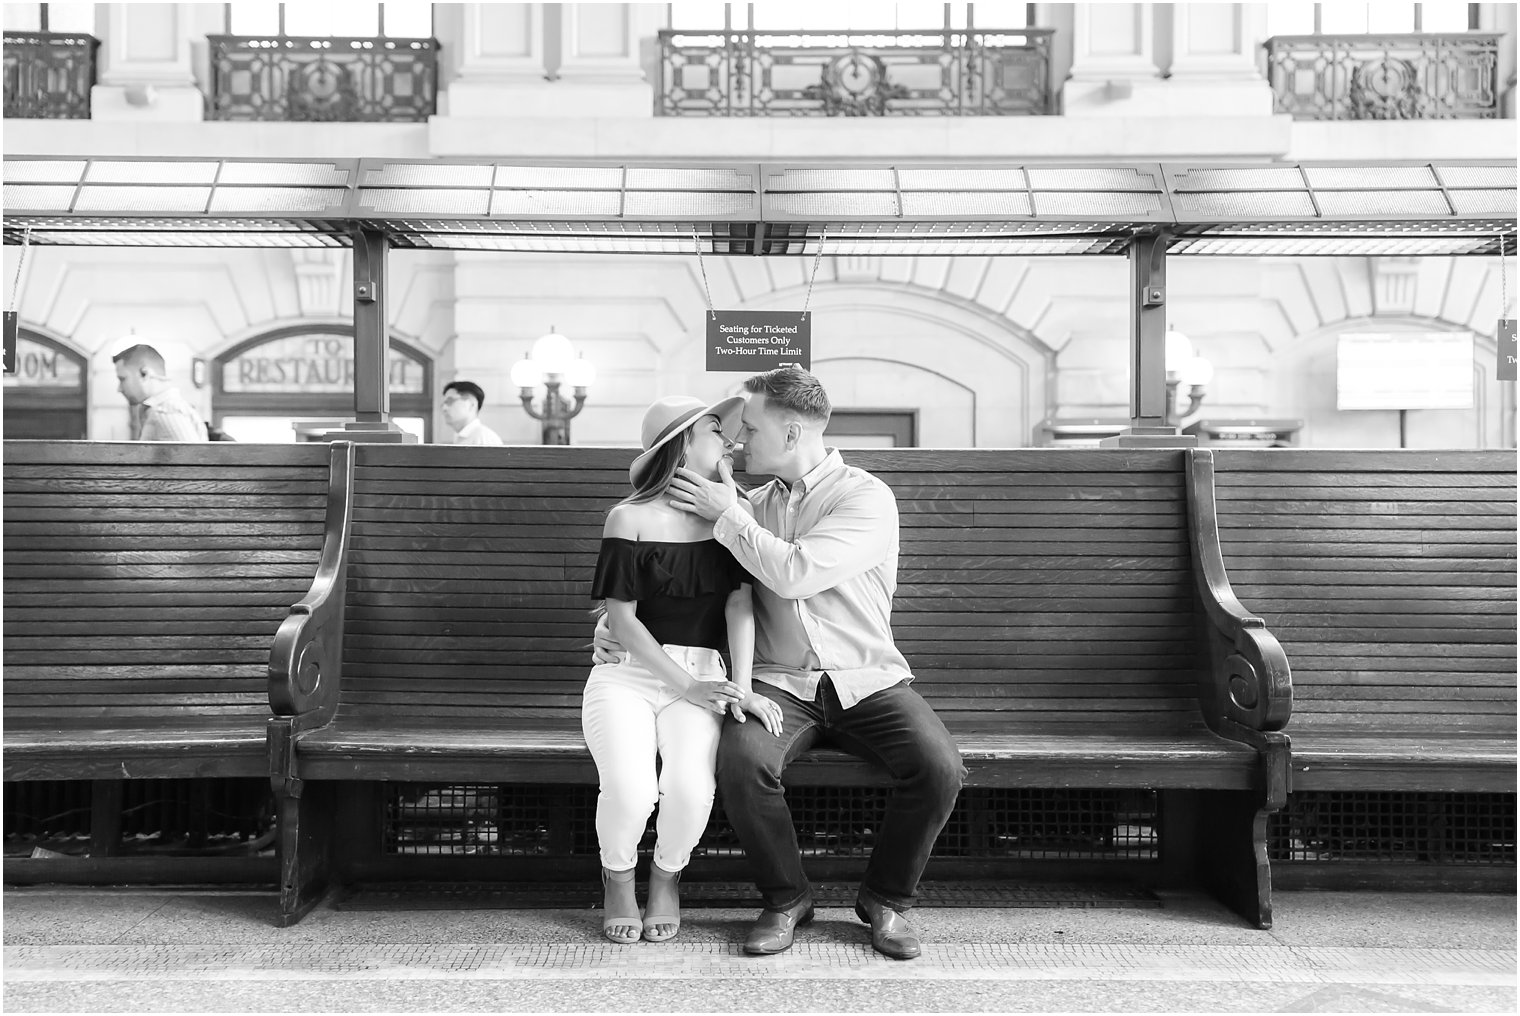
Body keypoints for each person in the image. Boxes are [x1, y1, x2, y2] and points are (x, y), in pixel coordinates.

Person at [595, 366, 965, 961]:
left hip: (864, 677)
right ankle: (787, 899)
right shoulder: (742, 503)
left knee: (939, 766)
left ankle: (887, 901)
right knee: (742, 766)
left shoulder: (863, 496)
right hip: (778, 683)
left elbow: (797, 572)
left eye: (754, 428)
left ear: (792, 434)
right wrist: (610, 625)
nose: (740, 442)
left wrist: (727, 516)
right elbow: (681, 585)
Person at [583, 394, 781, 946]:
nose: (732, 443)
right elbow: (620, 620)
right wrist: (688, 685)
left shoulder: (730, 517)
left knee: (692, 789)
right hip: (629, 674)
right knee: (630, 789)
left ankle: (666, 876)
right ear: (684, 445)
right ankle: (618, 877)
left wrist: (738, 687)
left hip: (704, 674)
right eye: (718, 432)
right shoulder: (629, 517)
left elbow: (739, 606)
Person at [112, 344, 207, 442]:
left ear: (144, 373)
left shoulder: (165, 412)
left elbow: (193, 456)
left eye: (122, 379)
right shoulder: (167, 409)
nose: (119, 389)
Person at [440, 380, 503, 446]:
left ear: (471, 405)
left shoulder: (483, 438)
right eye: (443, 403)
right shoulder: (462, 437)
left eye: (450, 401)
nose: (444, 408)